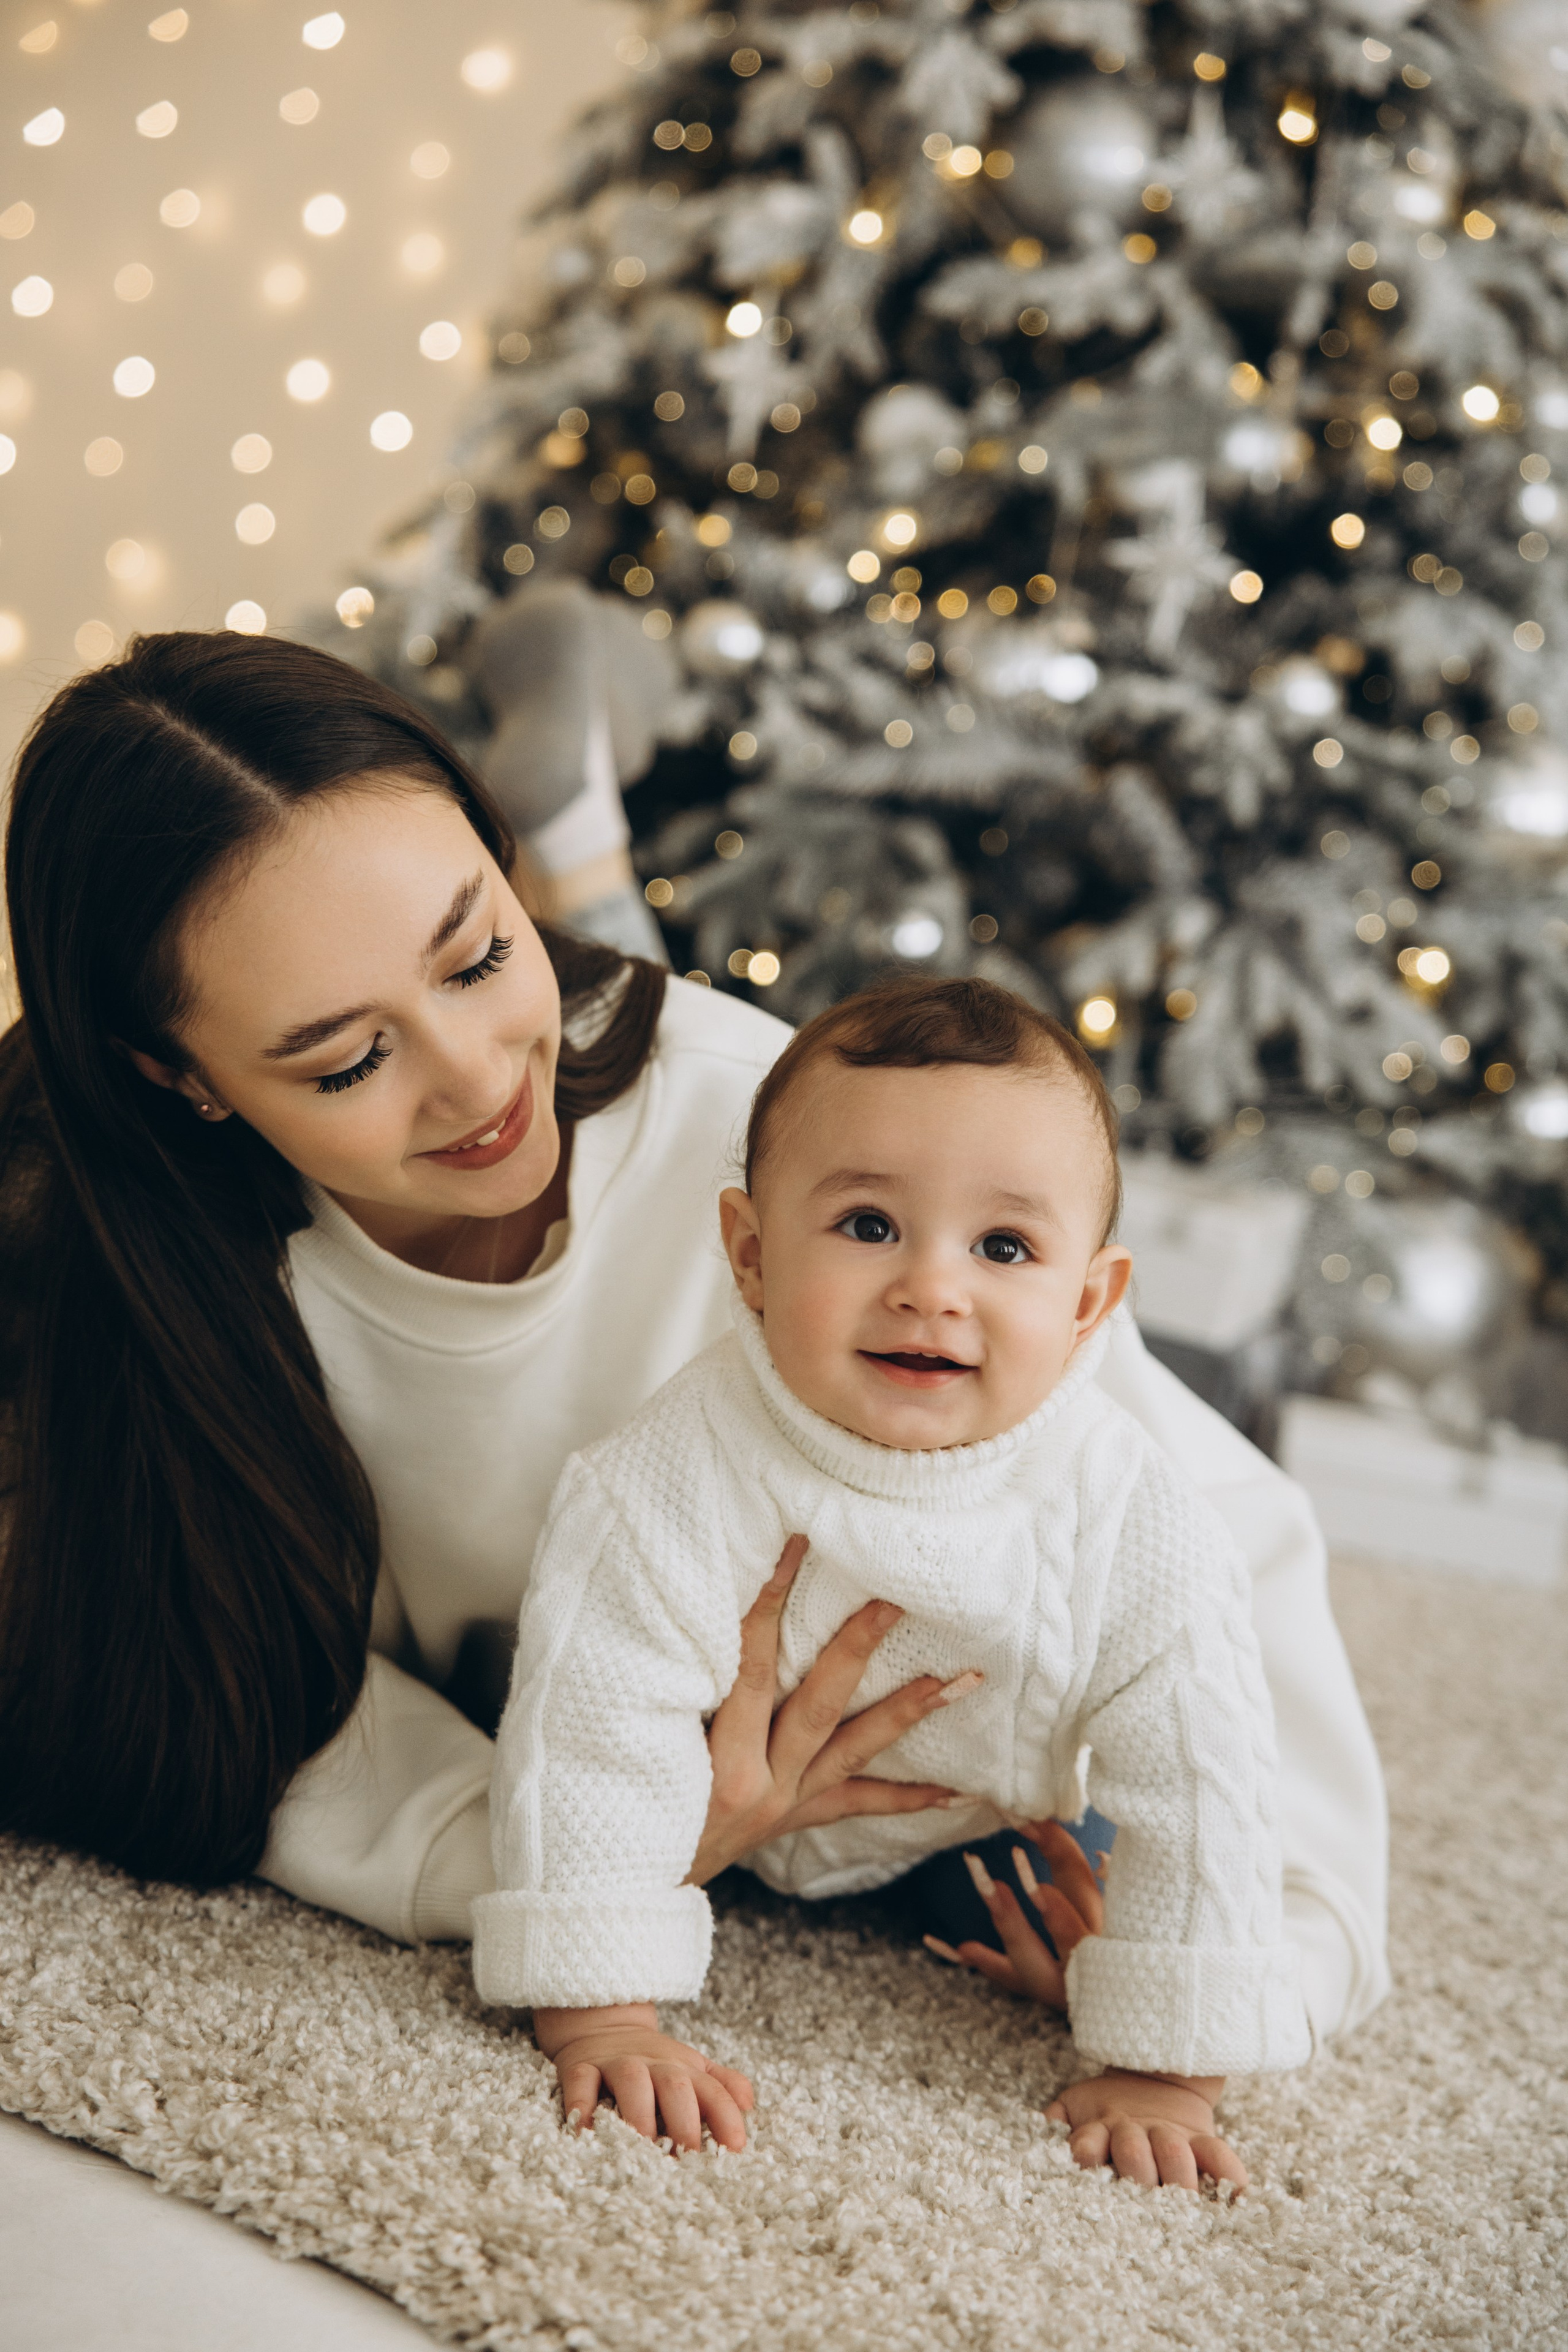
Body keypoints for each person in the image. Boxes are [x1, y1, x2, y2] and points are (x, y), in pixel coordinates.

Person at [0, 632, 1386, 2133]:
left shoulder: (782, 1145)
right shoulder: (116, 1279)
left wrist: (1252, 1979)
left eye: (478, 951)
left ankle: (587, 870)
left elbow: (1198, 1566)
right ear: (178, 1077)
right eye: (345, 1061)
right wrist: (651, 1841)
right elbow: (210, 1709)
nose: (475, 1081)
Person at [477, 978, 1315, 2184]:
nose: (933, 1286)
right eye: (868, 1225)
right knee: (566, 1762)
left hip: (985, 1809)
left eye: (1003, 1247)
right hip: (716, 1808)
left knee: (1084, 1902)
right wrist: (601, 2005)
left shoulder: (1131, 1509)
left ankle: (1073, 1967)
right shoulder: (670, 1471)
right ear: (751, 1256)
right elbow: (597, 1715)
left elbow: (1199, 1770)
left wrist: (1166, 2063)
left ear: (1086, 1305)